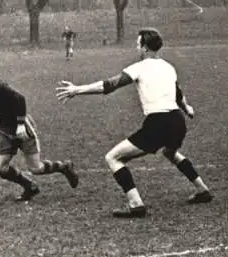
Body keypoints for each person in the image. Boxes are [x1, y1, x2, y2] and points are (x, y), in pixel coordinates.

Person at [56, 28, 213, 218]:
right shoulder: (168, 66)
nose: (136, 46)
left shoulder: (139, 67)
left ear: (145, 47)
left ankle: (136, 203)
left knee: (113, 158)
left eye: (138, 43)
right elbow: (177, 92)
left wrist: (77, 90)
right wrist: (186, 108)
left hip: (158, 122)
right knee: (170, 152)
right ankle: (202, 190)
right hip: (177, 120)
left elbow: (109, 85)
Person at [0, 53, 79, 201]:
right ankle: (30, 186)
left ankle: (64, 166)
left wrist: (20, 125)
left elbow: (20, 99)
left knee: (36, 168)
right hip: (5, 129)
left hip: (22, 124)